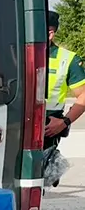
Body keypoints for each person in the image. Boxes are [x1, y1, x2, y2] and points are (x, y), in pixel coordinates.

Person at [43, 10, 85, 190]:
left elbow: (83, 95)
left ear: (52, 32)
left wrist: (64, 122)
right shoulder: (13, 52)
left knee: (36, 186)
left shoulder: (68, 59)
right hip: (14, 126)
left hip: (47, 130)